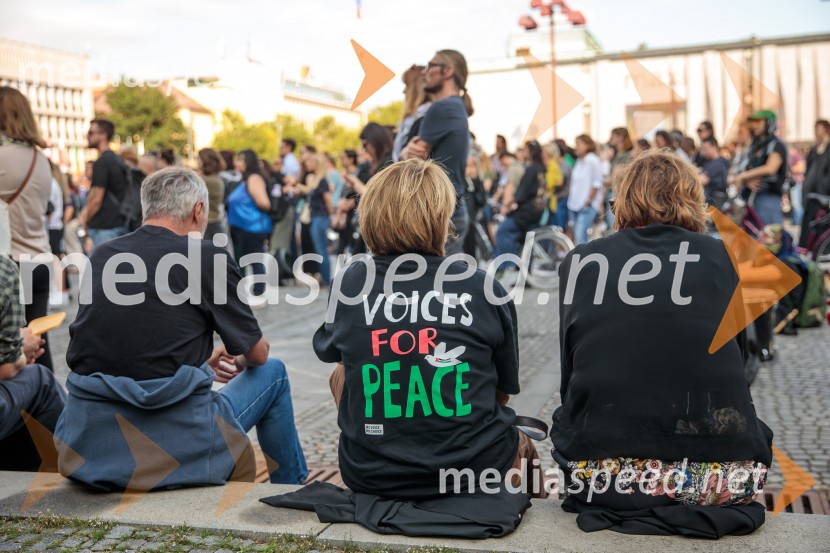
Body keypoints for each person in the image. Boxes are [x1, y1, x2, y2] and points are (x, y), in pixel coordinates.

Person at [551, 150, 773, 537]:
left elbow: (572, 378)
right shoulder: (734, 258)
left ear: (622, 203)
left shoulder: (582, 261)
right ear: (694, 202)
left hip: (603, 479)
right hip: (721, 480)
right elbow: (741, 366)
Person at [56, 167, 307, 489]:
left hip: (93, 445)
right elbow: (257, 353)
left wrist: (197, 363)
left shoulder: (103, 255)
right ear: (198, 211)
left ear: (148, 207)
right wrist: (238, 358)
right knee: (273, 371)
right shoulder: (204, 256)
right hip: (177, 442)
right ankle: (291, 487)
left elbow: (121, 346)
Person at [313, 158, 543, 500]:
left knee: (343, 370)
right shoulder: (482, 286)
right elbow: (501, 393)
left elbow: (332, 351)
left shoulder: (351, 281)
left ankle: (384, 442)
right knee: (525, 448)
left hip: (369, 473)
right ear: (441, 219)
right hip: (475, 469)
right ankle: (534, 525)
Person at [0, 86, 55, 369]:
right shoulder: (41, 160)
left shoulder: (3, 156)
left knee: (12, 348)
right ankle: (47, 404)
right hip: (40, 259)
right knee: (38, 343)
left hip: (10, 263)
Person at [402, 49, 473, 256]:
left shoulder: (441, 108)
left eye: (430, 65)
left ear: (448, 71)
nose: (424, 72)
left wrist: (405, 153)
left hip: (439, 213)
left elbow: (412, 163)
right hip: (450, 209)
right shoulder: (455, 106)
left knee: (431, 284)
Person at [0, 254, 65, 471]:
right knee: (40, 379)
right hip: (37, 260)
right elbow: (5, 368)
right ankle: (78, 464)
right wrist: (20, 351)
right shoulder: (4, 269)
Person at [226, 149, 272, 298]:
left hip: (252, 227)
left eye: (240, 160)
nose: (236, 163)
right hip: (242, 227)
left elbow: (264, 203)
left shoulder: (253, 178)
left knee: (254, 259)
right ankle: (245, 291)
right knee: (244, 260)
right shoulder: (244, 179)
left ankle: (258, 291)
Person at [493, 140, 546, 270]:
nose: (523, 153)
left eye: (525, 150)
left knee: (503, 230)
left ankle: (507, 264)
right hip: (537, 210)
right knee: (527, 241)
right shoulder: (541, 168)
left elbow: (522, 193)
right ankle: (525, 271)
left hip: (526, 211)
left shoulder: (531, 169)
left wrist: (509, 203)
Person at [77, 118, 129, 249]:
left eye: (91, 133)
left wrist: (85, 220)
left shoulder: (102, 162)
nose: (87, 136)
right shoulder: (117, 160)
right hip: (119, 224)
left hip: (105, 229)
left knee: (99, 268)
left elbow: (96, 198)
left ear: (103, 135)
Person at [731, 111, 788, 226]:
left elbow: (770, 168)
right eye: (753, 122)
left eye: (759, 122)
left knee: (769, 240)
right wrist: (746, 181)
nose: (754, 125)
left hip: (769, 198)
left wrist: (743, 176)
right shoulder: (754, 146)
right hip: (752, 200)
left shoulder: (776, 144)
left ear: (769, 123)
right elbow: (746, 169)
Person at [287, 153, 332, 285]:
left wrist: (330, 215)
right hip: (316, 216)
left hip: (320, 217)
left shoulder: (322, 181)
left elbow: (328, 201)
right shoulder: (316, 180)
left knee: (321, 249)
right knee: (319, 249)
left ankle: (326, 279)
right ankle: (324, 279)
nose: (308, 164)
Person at [567, 135, 603, 245]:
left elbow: (596, 183)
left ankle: (583, 261)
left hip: (586, 204)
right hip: (574, 204)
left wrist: (588, 201)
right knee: (577, 235)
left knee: (580, 234)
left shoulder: (593, 161)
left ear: (587, 145)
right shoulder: (579, 161)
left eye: (578, 144)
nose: (575, 147)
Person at [800, 119, 830, 248]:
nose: (816, 132)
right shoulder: (813, 150)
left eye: (818, 128)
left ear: (826, 129)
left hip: (825, 195)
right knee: (808, 226)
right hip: (810, 194)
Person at [393, 65, 431, 162]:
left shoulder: (427, 117)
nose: (404, 91)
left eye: (407, 85)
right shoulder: (410, 120)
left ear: (417, 88)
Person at [198, 148, 227, 242]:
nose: (197, 161)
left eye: (198, 158)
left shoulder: (208, 180)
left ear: (205, 161)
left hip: (209, 224)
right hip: (213, 222)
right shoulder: (214, 178)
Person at [698, 137, 729, 206]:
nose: (703, 151)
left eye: (705, 148)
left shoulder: (718, 163)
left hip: (714, 204)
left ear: (714, 148)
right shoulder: (709, 162)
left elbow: (703, 179)